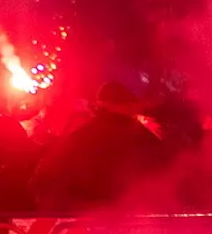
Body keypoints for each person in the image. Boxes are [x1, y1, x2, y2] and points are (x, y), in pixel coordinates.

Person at [31, 81, 167, 212]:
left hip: (83, 224)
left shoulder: (79, 137)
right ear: (124, 105)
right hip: (137, 220)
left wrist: (75, 207)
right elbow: (164, 177)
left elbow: (43, 179)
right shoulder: (143, 138)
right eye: (131, 104)